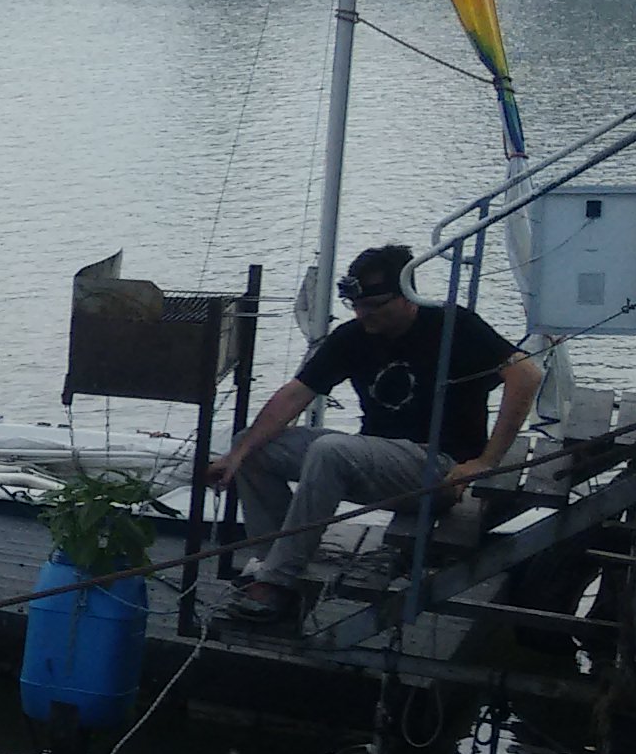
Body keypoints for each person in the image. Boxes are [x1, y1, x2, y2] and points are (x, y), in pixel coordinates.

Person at [201, 241, 542, 625]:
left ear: (407, 294)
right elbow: (297, 392)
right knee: (253, 446)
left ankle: (278, 583)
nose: (364, 315)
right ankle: (276, 563)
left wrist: (485, 462)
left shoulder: (452, 325)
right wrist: (237, 455)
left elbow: (526, 374)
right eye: (358, 306)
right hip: (375, 457)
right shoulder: (354, 335)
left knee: (331, 450)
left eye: (375, 306)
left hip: (438, 467)